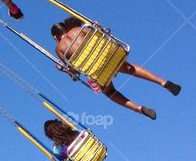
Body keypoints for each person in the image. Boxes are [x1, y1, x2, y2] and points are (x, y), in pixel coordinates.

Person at [51, 17, 180, 120]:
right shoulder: (80, 29)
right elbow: (99, 36)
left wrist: (63, 69)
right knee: (131, 69)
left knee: (110, 92)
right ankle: (162, 82)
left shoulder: (59, 48)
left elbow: (74, 69)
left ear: (55, 37)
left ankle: (138, 108)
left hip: (97, 70)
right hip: (110, 55)